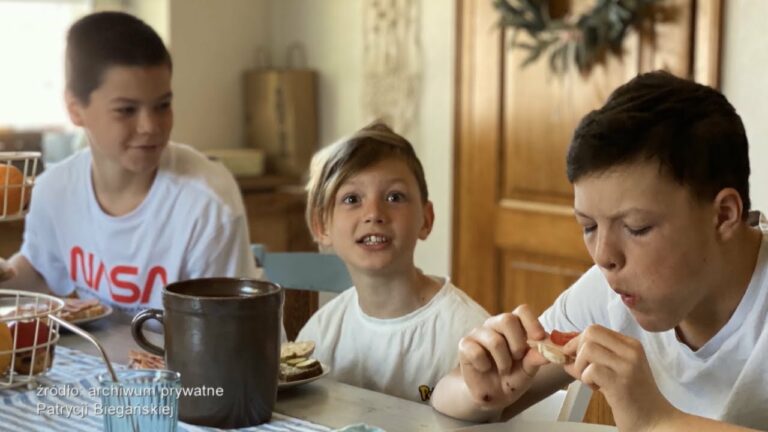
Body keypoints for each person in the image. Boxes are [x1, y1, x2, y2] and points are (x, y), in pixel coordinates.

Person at [431, 71, 767, 432]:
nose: (604, 255)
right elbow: (444, 399)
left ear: (723, 215)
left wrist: (656, 421)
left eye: (637, 228)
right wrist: (481, 391)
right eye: (589, 227)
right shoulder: (611, 292)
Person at [0, 11, 260, 315]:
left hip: (197, 359)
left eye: (162, 105)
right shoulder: (54, 190)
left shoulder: (207, 202)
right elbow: (41, 270)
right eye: (126, 110)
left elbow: (225, 335)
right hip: (104, 361)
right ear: (75, 109)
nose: (150, 126)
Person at [297, 122, 489, 403]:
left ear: (426, 220)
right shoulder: (322, 333)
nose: (374, 213)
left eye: (394, 197)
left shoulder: (468, 334)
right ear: (321, 226)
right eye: (352, 199)